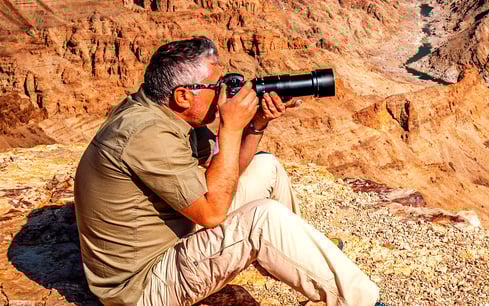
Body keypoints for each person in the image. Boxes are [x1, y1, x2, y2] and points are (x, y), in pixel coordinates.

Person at [74, 36, 380, 306]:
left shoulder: (165, 113)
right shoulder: (147, 133)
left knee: (266, 166)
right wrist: (230, 129)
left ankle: (302, 257)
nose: (223, 93)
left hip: (174, 235)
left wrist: (256, 125)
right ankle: (364, 302)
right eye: (214, 86)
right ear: (182, 95)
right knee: (262, 219)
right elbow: (212, 214)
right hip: (142, 286)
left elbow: (226, 173)